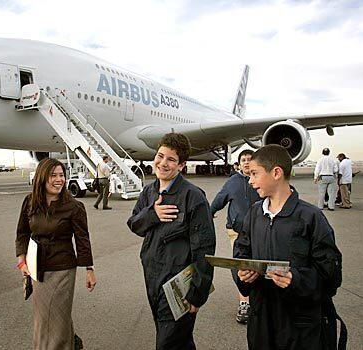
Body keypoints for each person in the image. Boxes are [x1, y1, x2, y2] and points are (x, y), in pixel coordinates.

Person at [235, 145, 343, 349]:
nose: (250, 181)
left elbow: (331, 276)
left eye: (254, 174)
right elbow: (242, 252)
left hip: (300, 328)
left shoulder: (311, 217)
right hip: (261, 325)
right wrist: (242, 276)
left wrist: (297, 279)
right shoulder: (253, 214)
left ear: (276, 173)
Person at [127, 133, 215, 350]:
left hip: (178, 286)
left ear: (182, 165)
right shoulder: (149, 191)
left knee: (167, 343)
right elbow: (134, 224)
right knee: (179, 342)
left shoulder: (193, 197)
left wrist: (197, 294)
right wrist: (152, 214)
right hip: (152, 278)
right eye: (160, 156)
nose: (163, 163)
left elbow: (204, 248)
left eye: (171, 159)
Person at [15, 157, 97, 350]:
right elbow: (22, 233)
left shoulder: (74, 207)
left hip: (62, 269)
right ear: (42, 178)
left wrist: (89, 269)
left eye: (61, 175)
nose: (59, 179)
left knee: (53, 319)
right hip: (37, 268)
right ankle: (72, 344)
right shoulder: (30, 202)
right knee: (47, 317)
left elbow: (82, 239)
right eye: (53, 175)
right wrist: (22, 262)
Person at [210, 149, 260, 324]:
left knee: (260, 266)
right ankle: (244, 303)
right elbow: (219, 200)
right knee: (242, 266)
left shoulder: (260, 179)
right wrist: (208, 214)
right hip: (237, 232)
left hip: (260, 232)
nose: (246, 162)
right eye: (243, 160)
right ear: (238, 164)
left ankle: (262, 301)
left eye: (249, 159)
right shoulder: (233, 182)